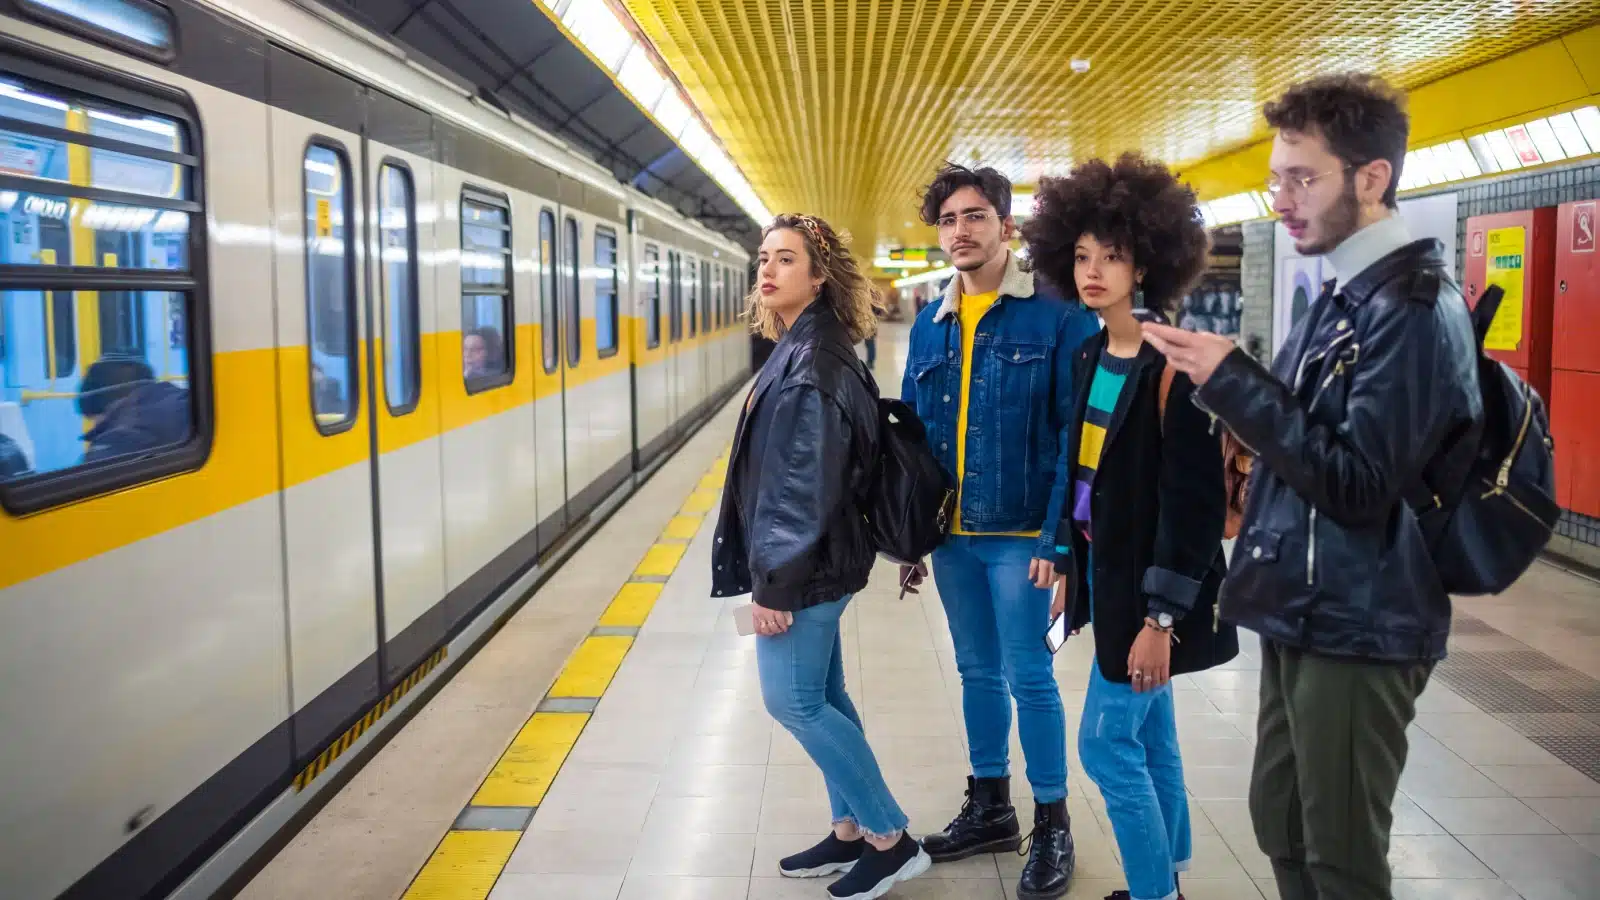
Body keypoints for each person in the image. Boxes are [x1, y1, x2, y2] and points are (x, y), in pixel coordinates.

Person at [1142, 73, 1482, 900]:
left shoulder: (1409, 307)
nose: (1283, 200)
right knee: (1282, 818)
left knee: (1338, 849)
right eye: (1276, 180)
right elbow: (1307, 439)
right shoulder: (1342, 295)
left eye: (1304, 177)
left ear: (1373, 179)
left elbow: (1363, 484)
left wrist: (1235, 381)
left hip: (1364, 620)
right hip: (1306, 601)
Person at [1022, 153, 1239, 900]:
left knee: (1107, 745)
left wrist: (1161, 616)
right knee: (1151, 736)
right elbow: (1078, 472)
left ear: (1146, 262)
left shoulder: (1172, 368)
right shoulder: (1088, 353)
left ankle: (1154, 894)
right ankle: (1171, 874)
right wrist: (1062, 558)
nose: (1093, 271)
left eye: (1111, 257)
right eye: (1081, 256)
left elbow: (1196, 505)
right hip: (1103, 572)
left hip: (1148, 590)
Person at [709, 213, 930, 900]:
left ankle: (890, 839)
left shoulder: (812, 363)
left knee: (793, 702)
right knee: (823, 695)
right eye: (763, 260)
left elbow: (801, 490)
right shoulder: (811, 345)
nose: (766, 271)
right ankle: (849, 830)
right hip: (822, 559)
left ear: (818, 274)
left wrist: (774, 587)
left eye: (784, 259)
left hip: (806, 567)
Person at [899, 162, 1100, 900]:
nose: (961, 231)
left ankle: (1052, 822)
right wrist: (912, 534)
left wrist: (1059, 541)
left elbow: (1072, 439)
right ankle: (990, 806)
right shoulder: (931, 321)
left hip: (1022, 536)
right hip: (952, 539)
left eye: (976, 216)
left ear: (1005, 225)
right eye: (949, 220)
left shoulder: (1055, 314)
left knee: (1029, 675)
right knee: (976, 672)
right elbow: (913, 441)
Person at [76, 357, 191, 463]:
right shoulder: (184, 400)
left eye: (95, 422)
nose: (96, 427)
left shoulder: (122, 436)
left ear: (108, 408)